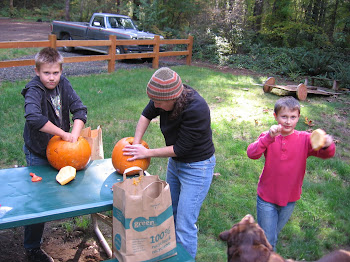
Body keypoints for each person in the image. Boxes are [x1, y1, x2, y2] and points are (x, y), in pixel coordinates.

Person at [122, 67, 216, 258]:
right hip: (176, 164)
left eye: (157, 102)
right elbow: (145, 115)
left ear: (173, 98)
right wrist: (136, 144)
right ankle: (170, 253)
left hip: (197, 167)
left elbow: (180, 148)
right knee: (168, 212)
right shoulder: (162, 96)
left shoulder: (196, 108)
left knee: (185, 223)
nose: (154, 104)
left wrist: (146, 152)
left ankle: (185, 258)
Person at [21, 47, 87, 262]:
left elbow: (80, 109)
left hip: (62, 151)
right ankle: (32, 248)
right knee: (39, 200)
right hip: (38, 152)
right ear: (37, 71)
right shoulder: (34, 89)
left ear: (61, 71)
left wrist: (74, 135)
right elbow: (33, 117)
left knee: (63, 190)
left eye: (55, 73)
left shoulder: (64, 84)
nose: (51, 77)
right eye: (46, 73)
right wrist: (62, 133)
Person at [247, 96, 335, 251]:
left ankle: (256, 249)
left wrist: (327, 144)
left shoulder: (305, 139)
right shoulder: (268, 136)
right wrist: (268, 137)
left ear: (298, 118)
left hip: (290, 198)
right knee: (269, 240)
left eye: (293, 117)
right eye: (284, 117)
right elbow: (252, 153)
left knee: (272, 234)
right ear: (275, 117)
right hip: (266, 196)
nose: (288, 121)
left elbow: (326, 154)